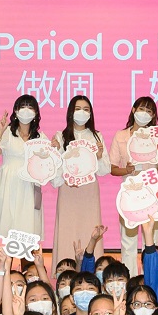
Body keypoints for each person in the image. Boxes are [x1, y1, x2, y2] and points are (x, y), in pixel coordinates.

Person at [109, 96, 158, 260]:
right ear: (133, 110)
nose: (144, 114)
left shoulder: (157, 137)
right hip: (129, 193)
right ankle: (129, 275)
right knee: (128, 240)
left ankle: (150, 273)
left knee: (152, 240)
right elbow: (112, 168)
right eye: (141, 109)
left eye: (149, 111)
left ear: (153, 116)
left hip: (152, 193)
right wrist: (126, 170)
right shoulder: (121, 136)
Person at [0, 94, 47, 237]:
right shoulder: (6, 132)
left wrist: (54, 148)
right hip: (8, 183)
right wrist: (0, 131)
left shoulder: (41, 138)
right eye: (22, 106)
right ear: (16, 111)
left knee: (27, 227)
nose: (26, 110)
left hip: (29, 186)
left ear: (36, 113)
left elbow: (47, 166)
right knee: (5, 225)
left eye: (30, 107)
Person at [55, 95, 106, 265]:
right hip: (68, 189)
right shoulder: (61, 136)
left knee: (89, 227)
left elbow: (105, 170)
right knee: (67, 228)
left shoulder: (96, 136)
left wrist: (99, 156)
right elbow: (55, 166)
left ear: (91, 114)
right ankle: (65, 268)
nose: (82, 113)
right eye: (78, 109)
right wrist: (65, 178)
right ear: (71, 112)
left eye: (86, 109)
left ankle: (91, 266)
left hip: (89, 190)